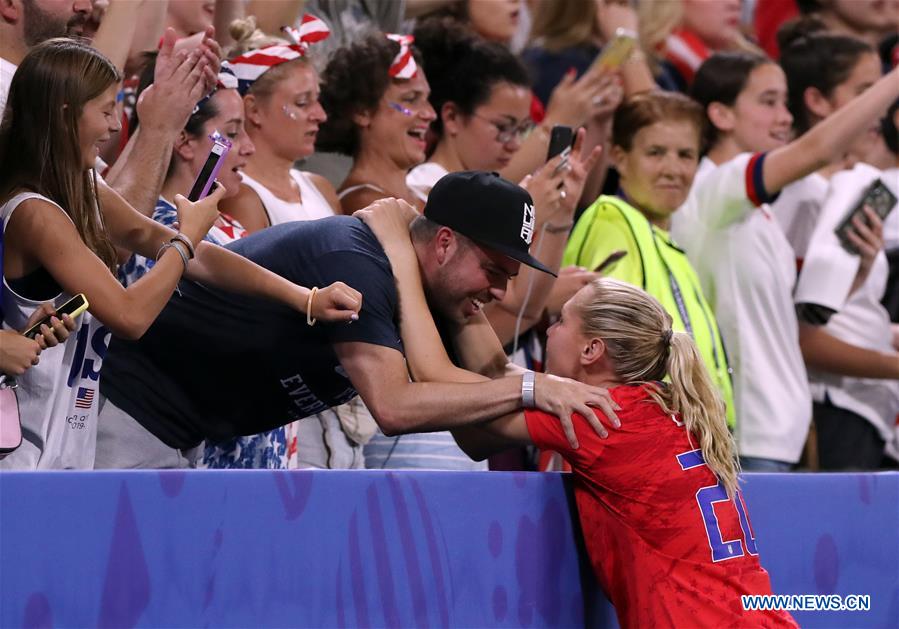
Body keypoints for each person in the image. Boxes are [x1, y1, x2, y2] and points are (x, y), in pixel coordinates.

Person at [354, 199, 795, 626]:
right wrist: (459, 299)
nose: (550, 328)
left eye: (562, 320)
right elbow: (483, 416)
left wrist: (400, 256)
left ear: (591, 350)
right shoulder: (654, 407)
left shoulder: (601, 418)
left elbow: (440, 379)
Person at [96, 172, 620, 468]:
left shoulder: (439, 291)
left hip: (188, 435)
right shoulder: (355, 261)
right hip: (128, 406)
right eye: (493, 270)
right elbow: (393, 406)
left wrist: (567, 409)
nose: (502, 292)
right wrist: (535, 389)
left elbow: (479, 424)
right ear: (443, 243)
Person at [0, 39, 360, 470]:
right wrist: (185, 238)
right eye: (106, 110)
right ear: (65, 113)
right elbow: (130, 316)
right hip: (24, 451)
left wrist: (305, 297)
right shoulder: (34, 213)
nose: (115, 125)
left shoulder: (83, 186)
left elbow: (196, 256)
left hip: (67, 443)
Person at [672, 47, 899, 471]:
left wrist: (859, 272)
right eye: (768, 102)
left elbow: (788, 323)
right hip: (749, 434)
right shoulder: (716, 188)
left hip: (783, 436)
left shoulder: (758, 213)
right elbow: (819, 150)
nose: (785, 117)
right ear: (720, 115)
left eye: (784, 102)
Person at [209, 16, 375, 470]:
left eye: (317, 100)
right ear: (254, 110)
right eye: (302, 103)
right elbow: (254, 309)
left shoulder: (320, 185)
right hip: (286, 394)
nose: (320, 114)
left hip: (339, 393)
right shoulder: (241, 197)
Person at [563, 91, 737, 430]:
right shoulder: (613, 218)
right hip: (645, 437)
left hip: (691, 436)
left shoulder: (669, 245)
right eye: (655, 153)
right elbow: (609, 352)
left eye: (685, 155)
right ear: (619, 157)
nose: (673, 169)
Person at [316, 33, 436, 214]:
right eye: (411, 99)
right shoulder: (364, 205)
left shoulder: (429, 195)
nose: (430, 114)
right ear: (362, 112)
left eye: (426, 99)